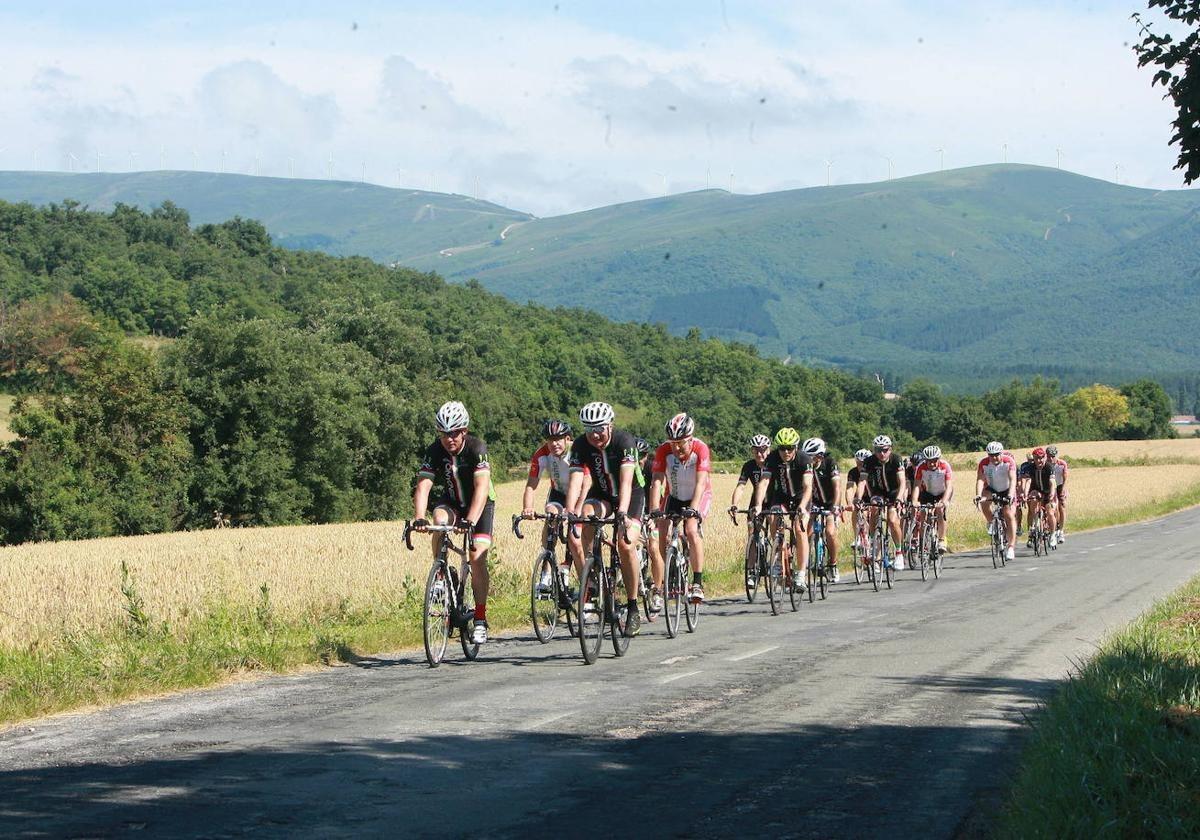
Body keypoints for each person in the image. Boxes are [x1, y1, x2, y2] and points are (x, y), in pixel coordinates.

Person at [411, 400, 496, 644]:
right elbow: (424, 485)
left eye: (455, 433)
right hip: (451, 501)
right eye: (444, 434)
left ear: (464, 431)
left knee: (477, 556)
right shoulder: (434, 450)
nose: (449, 439)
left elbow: (481, 488)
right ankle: (441, 574)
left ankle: (480, 619)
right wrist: (419, 517)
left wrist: (470, 520)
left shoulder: (476, 447)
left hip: (480, 504)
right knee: (438, 519)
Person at [564, 401, 646, 636]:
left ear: (610, 425)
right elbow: (576, 480)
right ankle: (595, 569)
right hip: (602, 495)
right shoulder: (580, 445)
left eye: (599, 428)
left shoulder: (625, 442)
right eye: (589, 429)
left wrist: (622, 513)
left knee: (625, 544)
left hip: (631, 496)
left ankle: (632, 607)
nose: (595, 434)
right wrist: (570, 512)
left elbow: (627, 482)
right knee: (586, 516)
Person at [649, 413, 713, 603]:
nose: (676, 448)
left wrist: (693, 510)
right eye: (672, 443)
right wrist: (654, 509)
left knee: (691, 530)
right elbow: (657, 481)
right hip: (674, 495)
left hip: (699, 495)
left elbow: (701, 483)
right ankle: (661, 583)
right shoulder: (663, 450)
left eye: (681, 443)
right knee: (662, 530)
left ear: (690, 439)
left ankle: (698, 583)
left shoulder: (701, 449)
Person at [751, 427, 812, 593]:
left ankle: (800, 573)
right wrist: (757, 505)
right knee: (772, 517)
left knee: (800, 528)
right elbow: (763, 483)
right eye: (782, 448)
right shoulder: (772, 459)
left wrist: (801, 507)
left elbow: (808, 487)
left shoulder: (803, 459)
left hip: (801, 498)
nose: (786, 452)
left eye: (790, 448)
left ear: (796, 447)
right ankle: (778, 558)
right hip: (782, 496)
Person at [858, 434, 908, 569]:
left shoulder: (896, 459)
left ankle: (899, 553)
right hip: (878, 491)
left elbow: (902, 482)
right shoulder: (869, 461)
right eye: (878, 450)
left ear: (890, 449)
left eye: (885, 450)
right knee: (874, 509)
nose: (882, 453)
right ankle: (873, 541)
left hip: (893, 492)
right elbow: (862, 481)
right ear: (874, 450)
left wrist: (899, 498)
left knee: (892, 520)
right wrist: (858, 498)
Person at [730, 434, 772, 587]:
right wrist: (734, 504)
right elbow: (741, 486)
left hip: (773, 501)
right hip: (755, 503)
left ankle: (777, 563)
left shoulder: (773, 463)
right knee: (751, 534)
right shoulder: (748, 466)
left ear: (769, 450)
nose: (760, 454)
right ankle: (752, 572)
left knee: (774, 526)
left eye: (763, 450)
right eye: (756, 451)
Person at [803, 437, 843, 583]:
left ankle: (833, 564)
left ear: (820, 455)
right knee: (806, 533)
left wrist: (835, 507)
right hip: (812, 504)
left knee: (830, 532)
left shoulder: (830, 463)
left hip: (830, 504)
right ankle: (805, 565)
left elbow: (837, 487)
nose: (808, 459)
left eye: (811, 456)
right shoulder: (805, 466)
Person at [974, 440, 1017, 563]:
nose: (994, 457)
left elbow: (1013, 479)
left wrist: (1010, 495)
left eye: (997, 454)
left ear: (1001, 453)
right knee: (983, 500)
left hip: (1007, 489)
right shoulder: (983, 463)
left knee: (1008, 514)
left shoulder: (1008, 461)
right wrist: (978, 494)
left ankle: (1011, 547)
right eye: (991, 455)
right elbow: (980, 480)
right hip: (992, 488)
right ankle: (991, 522)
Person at [911, 445, 953, 552]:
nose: (932, 464)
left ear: (939, 459)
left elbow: (949, 486)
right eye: (929, 461)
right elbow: (916, 486)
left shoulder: (945, 466)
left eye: (935, 461)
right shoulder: (921, 467)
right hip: (928, 492)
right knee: (923, 512)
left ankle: (942, 540)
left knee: (939, 510)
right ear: (925, 460)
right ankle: (923, 538)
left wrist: (944, 501)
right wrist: (915, 501)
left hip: (943, 492)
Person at [1021, 446, 1058, 548]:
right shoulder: (1030, 468)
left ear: (1045, 458)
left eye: (1041, 458)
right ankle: (1034, 528)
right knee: (1033, 506)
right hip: (1036, 490)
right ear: (1034, 458)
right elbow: (1028, 482)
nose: (1039, 460)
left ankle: (1053, 535)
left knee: (1050, 513)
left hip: (1047, 491)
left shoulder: (1049, 467)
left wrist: (1051, 493)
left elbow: (1052, 482)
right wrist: (1025, 494)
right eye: (1037, 458)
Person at [846, 448, 871, 548]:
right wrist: (849, 502)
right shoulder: (853, 472)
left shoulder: (873, 470)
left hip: (873, 495)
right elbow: (849, 488)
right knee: (855, 510)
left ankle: (871, 536)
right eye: (858, 463)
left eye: (862, 464)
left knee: (870, 512)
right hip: (861, 496)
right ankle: (857, 536)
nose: (860, 466)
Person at [1047, 445, 1069, 542]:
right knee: (1053, 508)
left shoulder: (1062, 464)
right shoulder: (1045, 464)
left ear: (1056, 455)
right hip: (1050, 486)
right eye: (1049, 456)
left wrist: (1063, 490)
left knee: (1062, 506)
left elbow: (1065, 478)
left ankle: (1061, 530)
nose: (1051, 458)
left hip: (1060, 485)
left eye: (1053, 456)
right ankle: (1054, 528)